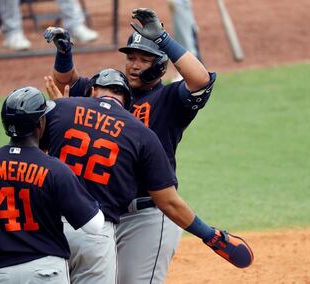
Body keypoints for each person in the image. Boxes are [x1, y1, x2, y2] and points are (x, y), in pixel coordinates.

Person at [43, 7, 217, 283]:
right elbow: (67, 84)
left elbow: (200, 80)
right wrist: (64, 54)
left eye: (144, 60)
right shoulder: (112, 92)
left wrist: (163, 40)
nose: (134, 65)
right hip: (104, 214)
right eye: (131, 58)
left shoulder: (169, 99)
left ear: (160, 64)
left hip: (148, 214)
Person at [42, 69, 253, 284]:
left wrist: (63, 112)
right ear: (126, 102)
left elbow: (36, 156)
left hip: (49, 226)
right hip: (97, 231)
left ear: (94, 91)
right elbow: (169, 201)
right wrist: (210, 235)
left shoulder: (62, 110)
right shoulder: (140, 132)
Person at [0, 86, 105, 283]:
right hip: (46, 272)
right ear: (40, 122)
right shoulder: (55, 169)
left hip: (1, 274)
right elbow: (95, 226)